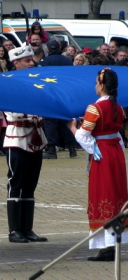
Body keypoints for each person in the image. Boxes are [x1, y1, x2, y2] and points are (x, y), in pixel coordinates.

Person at [67, 68, 128, 261]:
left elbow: (84, 137)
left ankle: (106, 245)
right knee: (117, 193)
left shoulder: (95, 108)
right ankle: (114, 241)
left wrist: (73, 129)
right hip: (116, 154)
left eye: (96, 83)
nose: (94, 86)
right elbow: (117, 135)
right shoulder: (118, 107)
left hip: (102, 154)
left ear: (102, 85)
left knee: (103, 193)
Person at [4, 45, 48, 243]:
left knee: (30, 185)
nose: (32, 63)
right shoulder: (8, 82)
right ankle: (15, 230)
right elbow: (11, 111)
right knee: (16, 183)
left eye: (32, 60)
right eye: (27, 61)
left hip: (35, 137)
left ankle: (27, 228)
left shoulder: (36, 81)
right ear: (16, 63)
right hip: (18, 138)